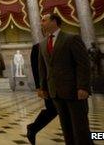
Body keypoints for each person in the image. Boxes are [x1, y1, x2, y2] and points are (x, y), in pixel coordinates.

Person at [38, 13, 92, 145]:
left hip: (74, 90)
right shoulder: (43, 43)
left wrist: (83, 87)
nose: (41, 23)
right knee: (66, 126)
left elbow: (83, 64)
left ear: (54, 21)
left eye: (44, 20)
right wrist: (43, 87)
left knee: (80, 127)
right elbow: (43, 68)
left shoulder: (71, 38)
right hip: (55, 92)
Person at [26, 43, 57, 145]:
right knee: (52, 110)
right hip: (48, 86)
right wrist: (39, 87)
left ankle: (33, 128)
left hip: (69, 86)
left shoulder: (70, 40)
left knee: (73, 115)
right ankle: (33, 128)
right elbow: (36, 68)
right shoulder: (38, 47)